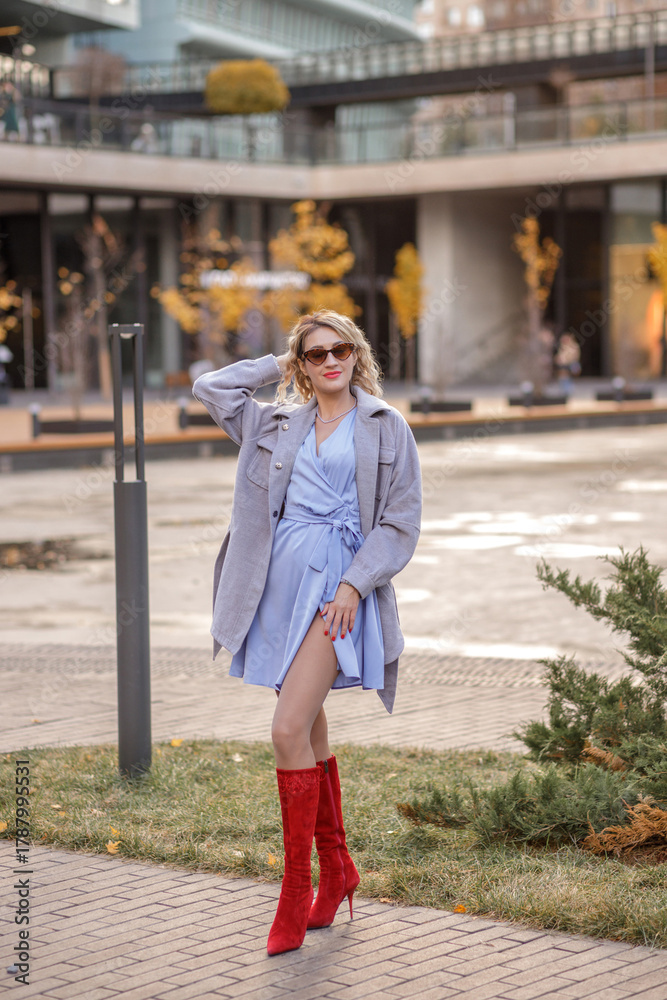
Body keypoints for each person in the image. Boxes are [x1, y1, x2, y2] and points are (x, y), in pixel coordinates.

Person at [192, 309, 422, 956]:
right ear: (301, 364)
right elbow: (211, 388)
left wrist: (355, 584)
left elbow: (400, 521)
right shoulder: (275, 421)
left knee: (287, 729)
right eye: (315, 353)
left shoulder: (383, 425)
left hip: (336, 590)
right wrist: (276, 362)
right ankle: (339, 868)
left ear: (356, 354)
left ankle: (296, 889)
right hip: (275, 588)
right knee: (308, 726)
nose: (329, 362)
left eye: (339, 349)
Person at [554, 331, 581, 397]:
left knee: (568, 372)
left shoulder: (573, 346)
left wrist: (564, 359)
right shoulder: (562, 347)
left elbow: (573, 357)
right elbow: (559, 357)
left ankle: (568, 390)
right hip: (564, 366)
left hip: (572, 365)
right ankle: (564, 389)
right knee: (562, 374)